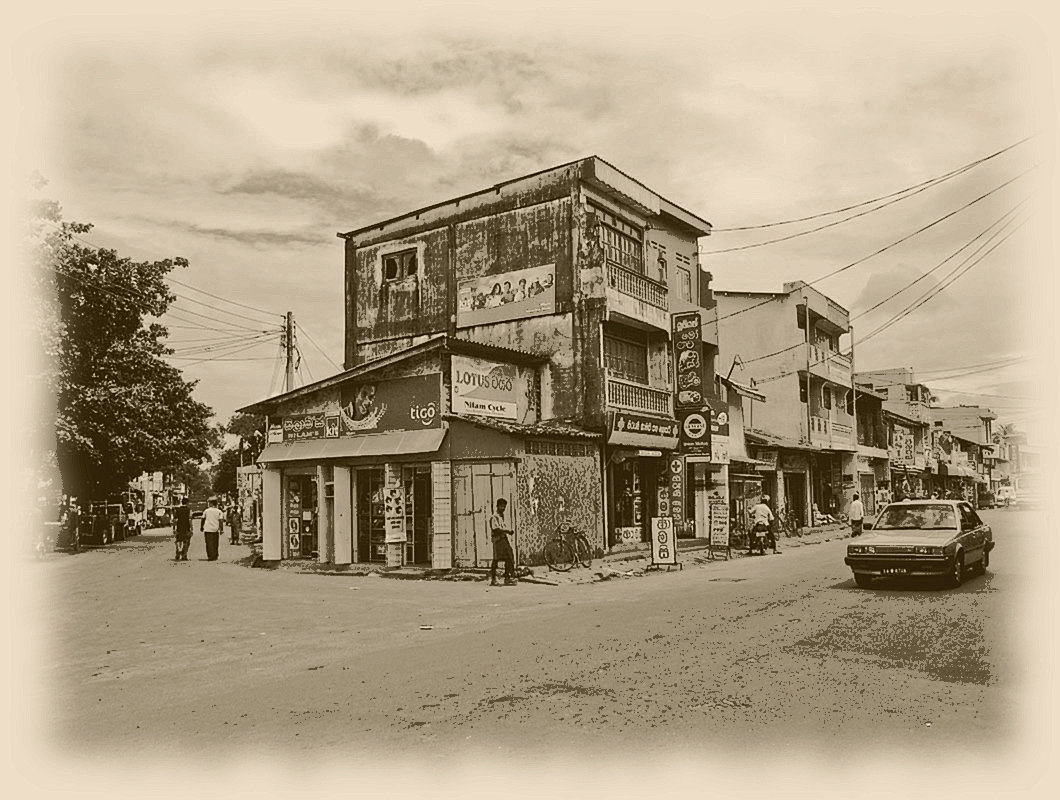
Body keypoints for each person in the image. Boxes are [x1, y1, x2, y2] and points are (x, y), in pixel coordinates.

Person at [488, 499, 517, 586]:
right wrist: (507, 531)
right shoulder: (494, 517)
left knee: (509, 557)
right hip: (498, 540)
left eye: (504, 506)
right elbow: (495, 529)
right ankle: (493, 579)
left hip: (504, 539)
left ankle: (507, 578)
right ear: (497, 506)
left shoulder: (501, 516)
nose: (503, 508)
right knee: (496, 559)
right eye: (501, 506)